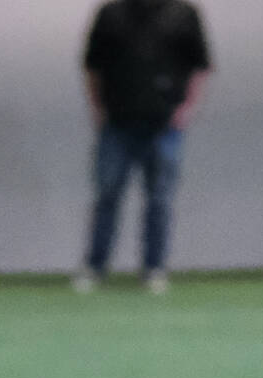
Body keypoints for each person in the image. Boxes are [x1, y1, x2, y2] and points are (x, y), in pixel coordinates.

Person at [74, 0, 212, 295]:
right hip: (117, 124)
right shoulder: (110, 14)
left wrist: (187, 109)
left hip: (164, 126)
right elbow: (93, 66)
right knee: (107, 196)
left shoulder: (184, 15)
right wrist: (97, 109)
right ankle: (95, 266)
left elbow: (200, 67)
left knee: (160, 200)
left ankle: (154, 268)